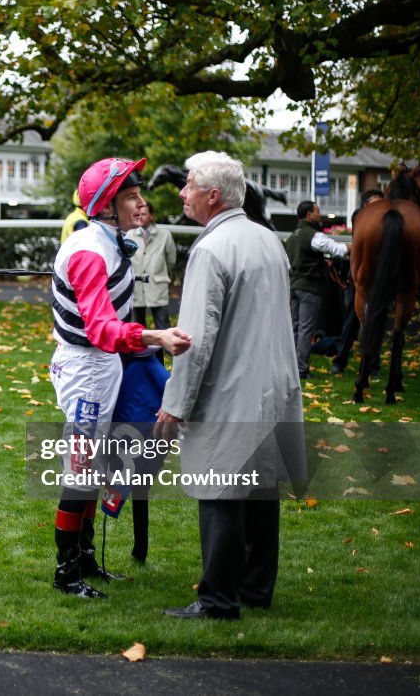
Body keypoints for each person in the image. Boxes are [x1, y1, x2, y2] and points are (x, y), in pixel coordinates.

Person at [156, 151, 306, 620]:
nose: (182, 193)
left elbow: (192, 341)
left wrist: (175, 404)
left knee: (219, 490)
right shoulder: (269, 240)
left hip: (232, 389)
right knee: (261, 491)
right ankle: (256, 590)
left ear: (213, 196)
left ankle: (218, 599)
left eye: (189, 185)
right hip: (274, 384)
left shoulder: (210, 249)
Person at [49, 156, 192, 599]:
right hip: (87, 369)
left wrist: (145, 344)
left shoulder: (110, 241)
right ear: (106, 206)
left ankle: (86, 560)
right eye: (131, 196)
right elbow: (101, 330)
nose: (141, 203)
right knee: (81, 473)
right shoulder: (91, 252)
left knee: (93, 470)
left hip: (102, 365)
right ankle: (65, 573)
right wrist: (155, 336)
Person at [284, 200, 349, 379]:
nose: (320, 214)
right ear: (309, 215)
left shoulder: (292, 237)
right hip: (309, 288)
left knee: (294, 329)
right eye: (317, 211)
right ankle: (302, 369)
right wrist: (352, 247)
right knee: (306, 330)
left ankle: (290, 368)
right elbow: (336, 249)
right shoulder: (313, 235)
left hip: (293, 286)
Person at [331, 189, 384, 375]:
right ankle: (341, 359)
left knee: (377, 322)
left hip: (379, 280)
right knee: (351, 321)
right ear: (365, 205)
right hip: (359, 279)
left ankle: (373, 365)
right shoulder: (359, 217)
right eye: (374, 203)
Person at [126, 202, 176, 331]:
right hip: (137, 287)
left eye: (144, 214)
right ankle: (143, 352)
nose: (140, 217)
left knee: (162, 325)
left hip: (157, 285)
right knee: (138, 328)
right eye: (138, 214)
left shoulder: (165, 235)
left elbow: (171, 260)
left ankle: (162, 351)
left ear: (151, 216)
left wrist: (161, 273)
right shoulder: (130, 235)